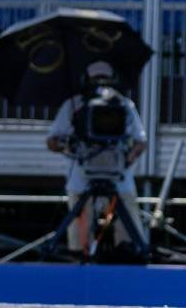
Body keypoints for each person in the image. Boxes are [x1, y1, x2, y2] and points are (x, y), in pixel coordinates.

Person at [45, 60, 148, 255]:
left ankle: (128, 251)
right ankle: (81, 253)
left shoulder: (125, 105)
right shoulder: (73, 105)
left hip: (119, 176)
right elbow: (52, 141)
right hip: (82, 175)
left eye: (105, 78)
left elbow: (140, 142)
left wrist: (127, 160)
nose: (101, 83)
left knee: (128, 220)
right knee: (80, 226)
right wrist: (68, 146)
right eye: (97, 78)